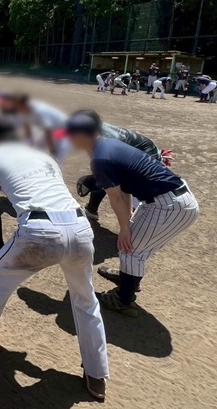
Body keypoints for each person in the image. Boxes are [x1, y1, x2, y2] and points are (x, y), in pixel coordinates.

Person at [0, 116, 108, 401]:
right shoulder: (45, 157)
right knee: (85, 300)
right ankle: (96, 374)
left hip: (39, 231)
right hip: (80, 228)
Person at [66, 110, 199, 318]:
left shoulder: (100, 157)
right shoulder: (108, 145)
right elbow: (125, 190)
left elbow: (116, 197)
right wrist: (128, 222)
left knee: (131, 250)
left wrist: (125, 229)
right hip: (170, 200)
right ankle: (127, 277)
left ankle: (123, 300)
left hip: (169, 206)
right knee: (130, 246)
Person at [77, 122, 175, 222]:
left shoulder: (105, 139)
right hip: (136, 149)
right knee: (104, 175)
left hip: (145, 152)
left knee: (134, 195)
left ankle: (135, 223)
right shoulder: (90, 132)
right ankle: (92, 209)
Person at [17, 95, 72, 168]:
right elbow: (27, 127)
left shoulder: (39, 111)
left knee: (57, 159)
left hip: (64, 131)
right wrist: (31, 143)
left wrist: (52, 151)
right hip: (52, 130)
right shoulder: (22, 110)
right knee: (33, 149)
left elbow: (48, 132)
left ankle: (56, 174)